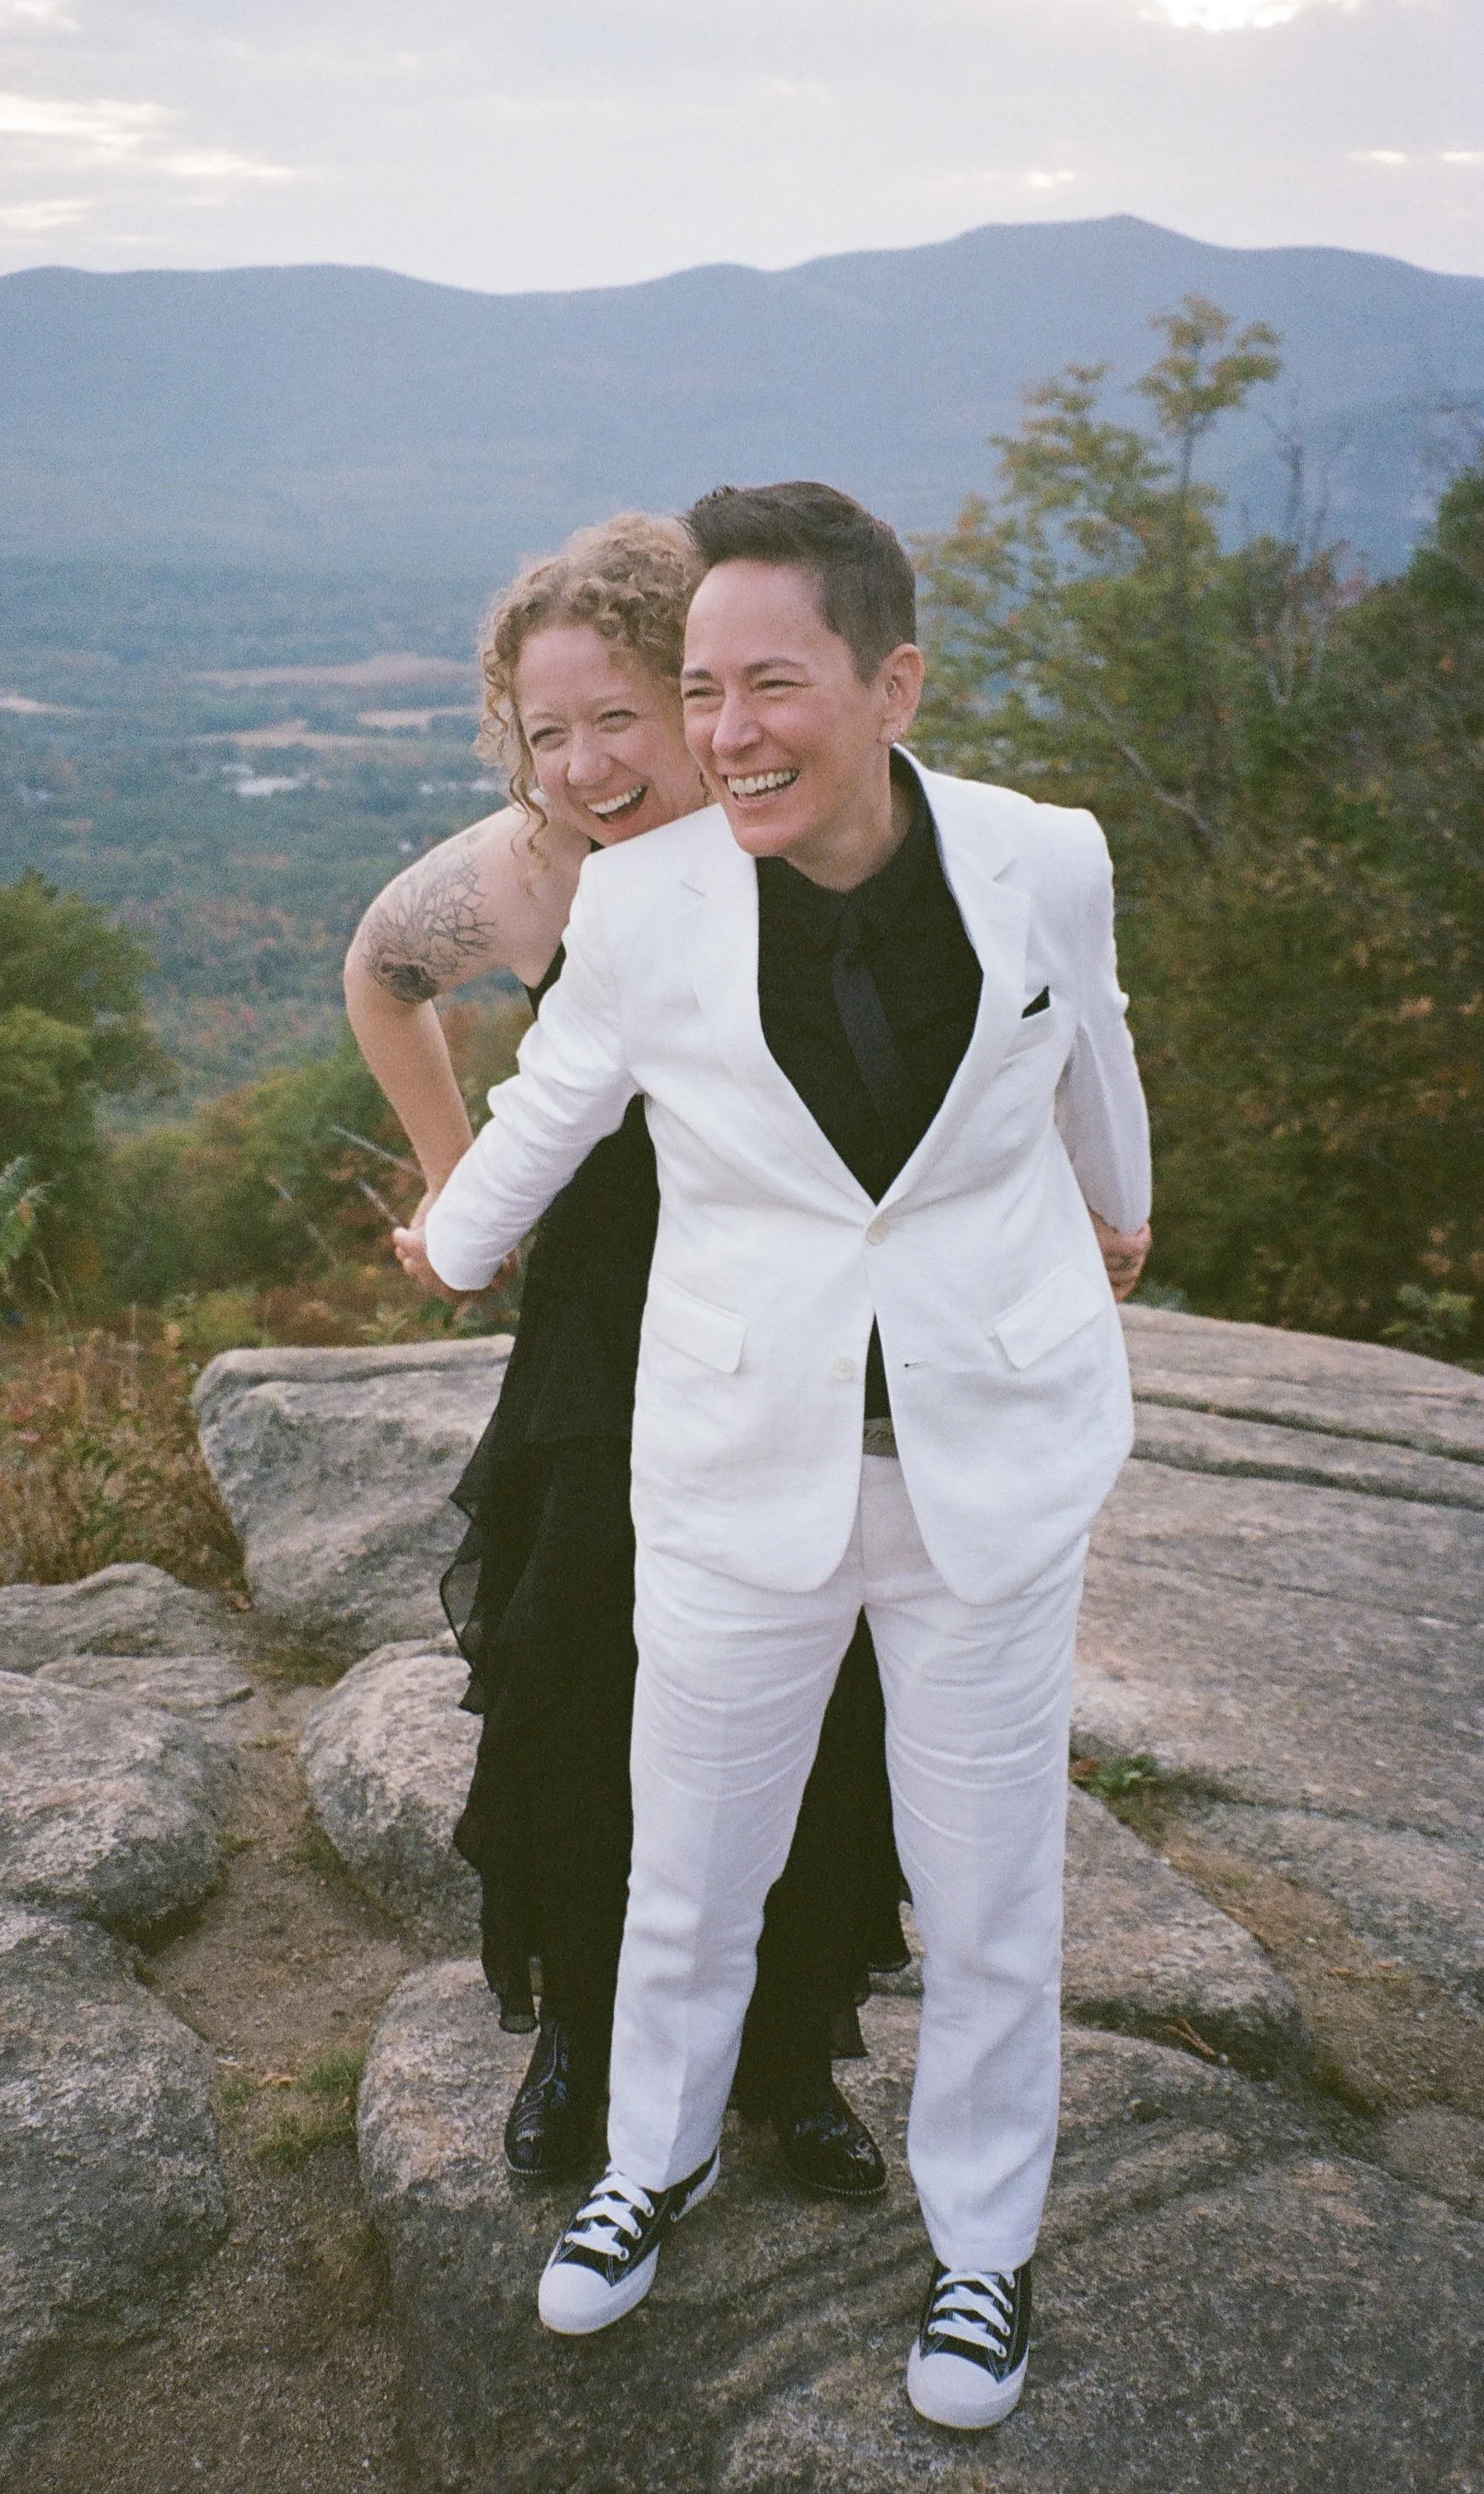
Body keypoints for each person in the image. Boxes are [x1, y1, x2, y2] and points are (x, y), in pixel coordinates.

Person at [402, 481, 1153, 2434]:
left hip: (982, 1466)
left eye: (768, 684)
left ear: (888, 682)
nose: (725, 729)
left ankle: (980, 2252)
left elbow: (1096, 1055)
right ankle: (650, 2160)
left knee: (994, 1889)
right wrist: (451, 1233)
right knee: (690, 1859)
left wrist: (1117, 1206)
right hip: (738, 1462)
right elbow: (554, 1100)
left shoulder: (1038, 857)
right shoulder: (645, 898)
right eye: (705, 688)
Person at [345, 513, 905, 2200]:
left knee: (822, 1685)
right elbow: (381, 973)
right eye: (546, 729)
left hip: (807, 1334)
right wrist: (459, 1186)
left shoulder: (822, 836)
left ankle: (790, 2061)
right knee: (580, 1669)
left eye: (621, 719)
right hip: (606, 1331)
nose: (585, 764)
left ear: (706, 694)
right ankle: (584, 2035)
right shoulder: (526, 872)